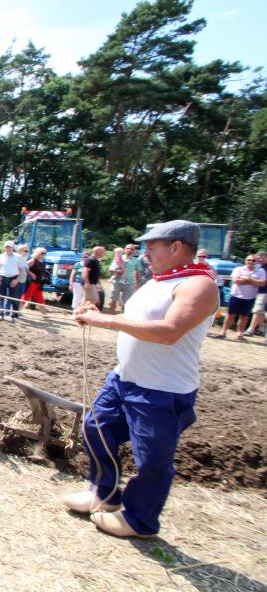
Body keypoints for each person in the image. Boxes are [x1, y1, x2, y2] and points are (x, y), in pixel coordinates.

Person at [64, 220, 219, 539]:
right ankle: (103, 493)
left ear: (176, 247)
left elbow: (169, 332)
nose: (145, 253)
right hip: (125, 379)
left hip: (163, 389)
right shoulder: (160, 280)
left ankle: (140, 520)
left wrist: (104, 321)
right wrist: (95, 310)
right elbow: (135, 319)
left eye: (152, 247)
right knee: (95, 428)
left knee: (152, 460)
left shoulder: (198, 285)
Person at [216, 254, 266, 340]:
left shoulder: (261, 271)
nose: (250, 262)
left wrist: (248, 279)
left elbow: (262, 283)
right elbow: (236, 280)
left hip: (250, 297)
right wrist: (253, 281)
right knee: (230, 315)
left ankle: (240, 333)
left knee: (244, 316)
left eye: (253, 260)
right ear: (245, 261)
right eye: (249, 260)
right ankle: (223, 331)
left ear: (256, 262)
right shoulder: (238, 269)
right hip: (236, 295)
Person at [0, 241, 23, 321]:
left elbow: (21, 270)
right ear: (4, 248)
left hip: (13, 278)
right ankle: (1, 313)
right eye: (6, 247)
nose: (8, 248)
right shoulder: (0, 256)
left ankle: (15, 315)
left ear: (13, 248)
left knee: (14, 297)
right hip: (2, 278)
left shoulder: (18, 257)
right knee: (1, 297)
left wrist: (17, 280)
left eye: (10, 247)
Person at [243, 251, 267, 338]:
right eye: (258, 258)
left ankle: (251, 329)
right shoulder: (259, 267)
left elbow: (263, 282)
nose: (260, 259)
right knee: (261, 312)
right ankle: (261, 329)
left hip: (264, 292)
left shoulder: (265, 269)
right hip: (257, 291)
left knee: (257, 310)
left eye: (262, 257)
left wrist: (248, 280)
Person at [20, 247, 49, 316]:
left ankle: (44, 314)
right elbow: (24, 266)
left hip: (38, 283)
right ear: (37, 253)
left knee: (40, 298)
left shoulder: (43, 261)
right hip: (32, 282)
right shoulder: (33, 260)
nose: (44, 254)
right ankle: (16, 311)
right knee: (26, 297)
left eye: (45, 253)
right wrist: (31, 273)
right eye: (42, 253)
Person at [108, 246, 127, 313]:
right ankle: (111, 313)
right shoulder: (118, 258)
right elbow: (111, 269)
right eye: (117, 252)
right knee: (113, 298)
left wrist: (121, 269)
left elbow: (119, 264)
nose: (118, 253)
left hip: (119, 269)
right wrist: (120, 270)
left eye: (119, 252)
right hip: (117, 276)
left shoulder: (119, 258)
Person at [13, 244, 30, 318]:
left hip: (23, 281)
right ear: (19, 251)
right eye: (25, 251)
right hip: (17, 281)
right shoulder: (16, 259)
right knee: (15, 297)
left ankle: (16, 312)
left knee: (19, 297)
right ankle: (14, 313)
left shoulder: (24, 260)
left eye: (27, 251)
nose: (27, 252)